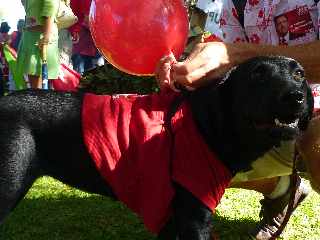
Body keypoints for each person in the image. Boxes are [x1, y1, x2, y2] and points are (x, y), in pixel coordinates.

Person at [156, 0, 320, 239]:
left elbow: (233, 57)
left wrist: (233, 54)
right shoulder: (219, 5)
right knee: (180, 155)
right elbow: (230, 77)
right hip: (261, 120)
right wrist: (183, 75)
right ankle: (280, 189)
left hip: (314, 112)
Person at [17, 0, 60, 89]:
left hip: (40, 38)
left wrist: (46, 35)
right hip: (32, 36)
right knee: (35, 87)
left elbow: (50, 5)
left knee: (39, 87)